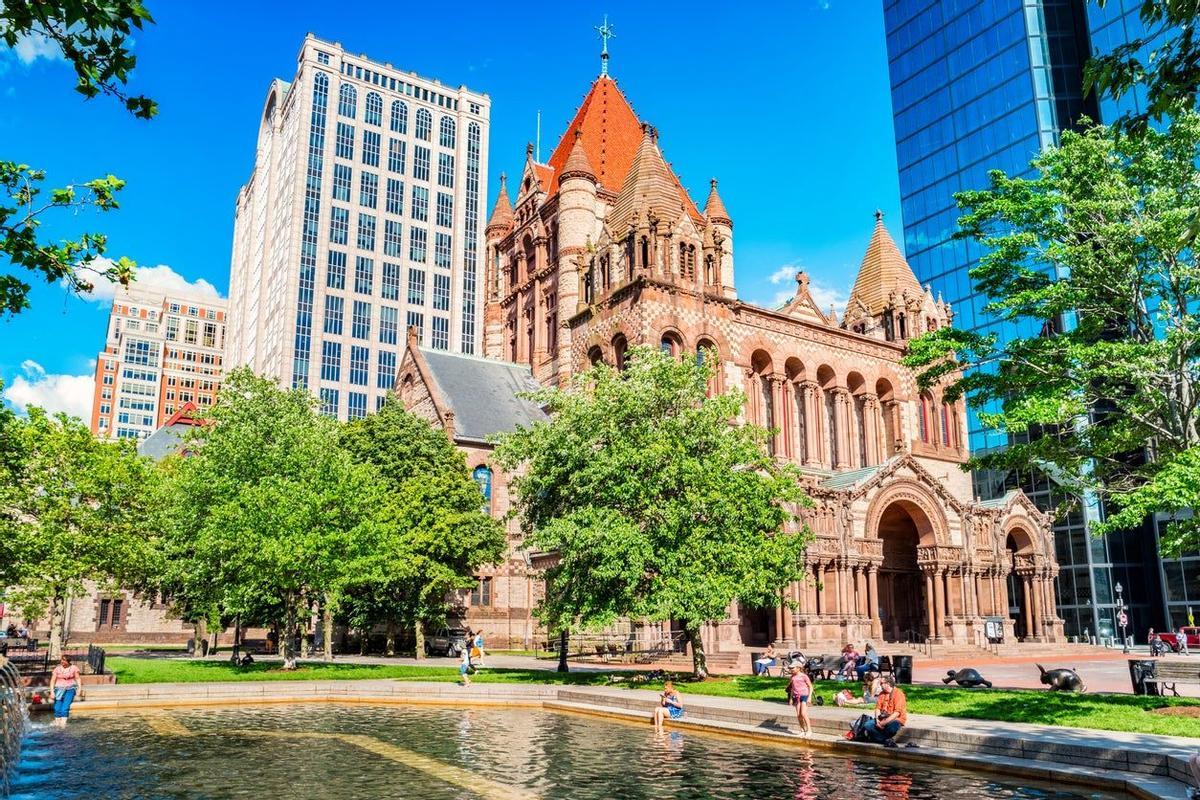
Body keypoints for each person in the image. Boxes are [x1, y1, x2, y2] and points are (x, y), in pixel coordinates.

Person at [862, 675, 906, 747]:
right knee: (867, 725)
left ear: (888, 684)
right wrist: (877, 720)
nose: (880, 685)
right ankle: (885, 740)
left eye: (881, 683)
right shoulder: (882, 694)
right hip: (882, 718)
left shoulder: (899, 694)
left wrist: (884, 723)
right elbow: (877, 708)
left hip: (895, 719)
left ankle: (876, 738)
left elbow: (897, 713)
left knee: (891, 728)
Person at [49, 654, 83, 727]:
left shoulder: (74, 668)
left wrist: (79, 689)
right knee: (57, 708)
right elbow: (52, 681)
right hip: (58, 690)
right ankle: (57, 724)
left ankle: (63, 725)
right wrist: (52, 692)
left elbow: (77, 678)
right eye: (62, 660)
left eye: (64, 661)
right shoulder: (57, 669)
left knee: (65, 707)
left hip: (70, 689)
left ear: (68, 661)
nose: (63, 662)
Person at [788, 665, 813, 737]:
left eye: (792, 668)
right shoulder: (792, 677)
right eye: (790, 668)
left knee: (803, 713)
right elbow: (792, 688)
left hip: (804, 696)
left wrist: (809, 697)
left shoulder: (804, 676)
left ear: (798, 668)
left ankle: (809, 730)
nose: (791, 669)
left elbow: (810, 686)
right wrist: (790, 698)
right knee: (799, 715)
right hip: (796, 696)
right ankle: (802, 730)